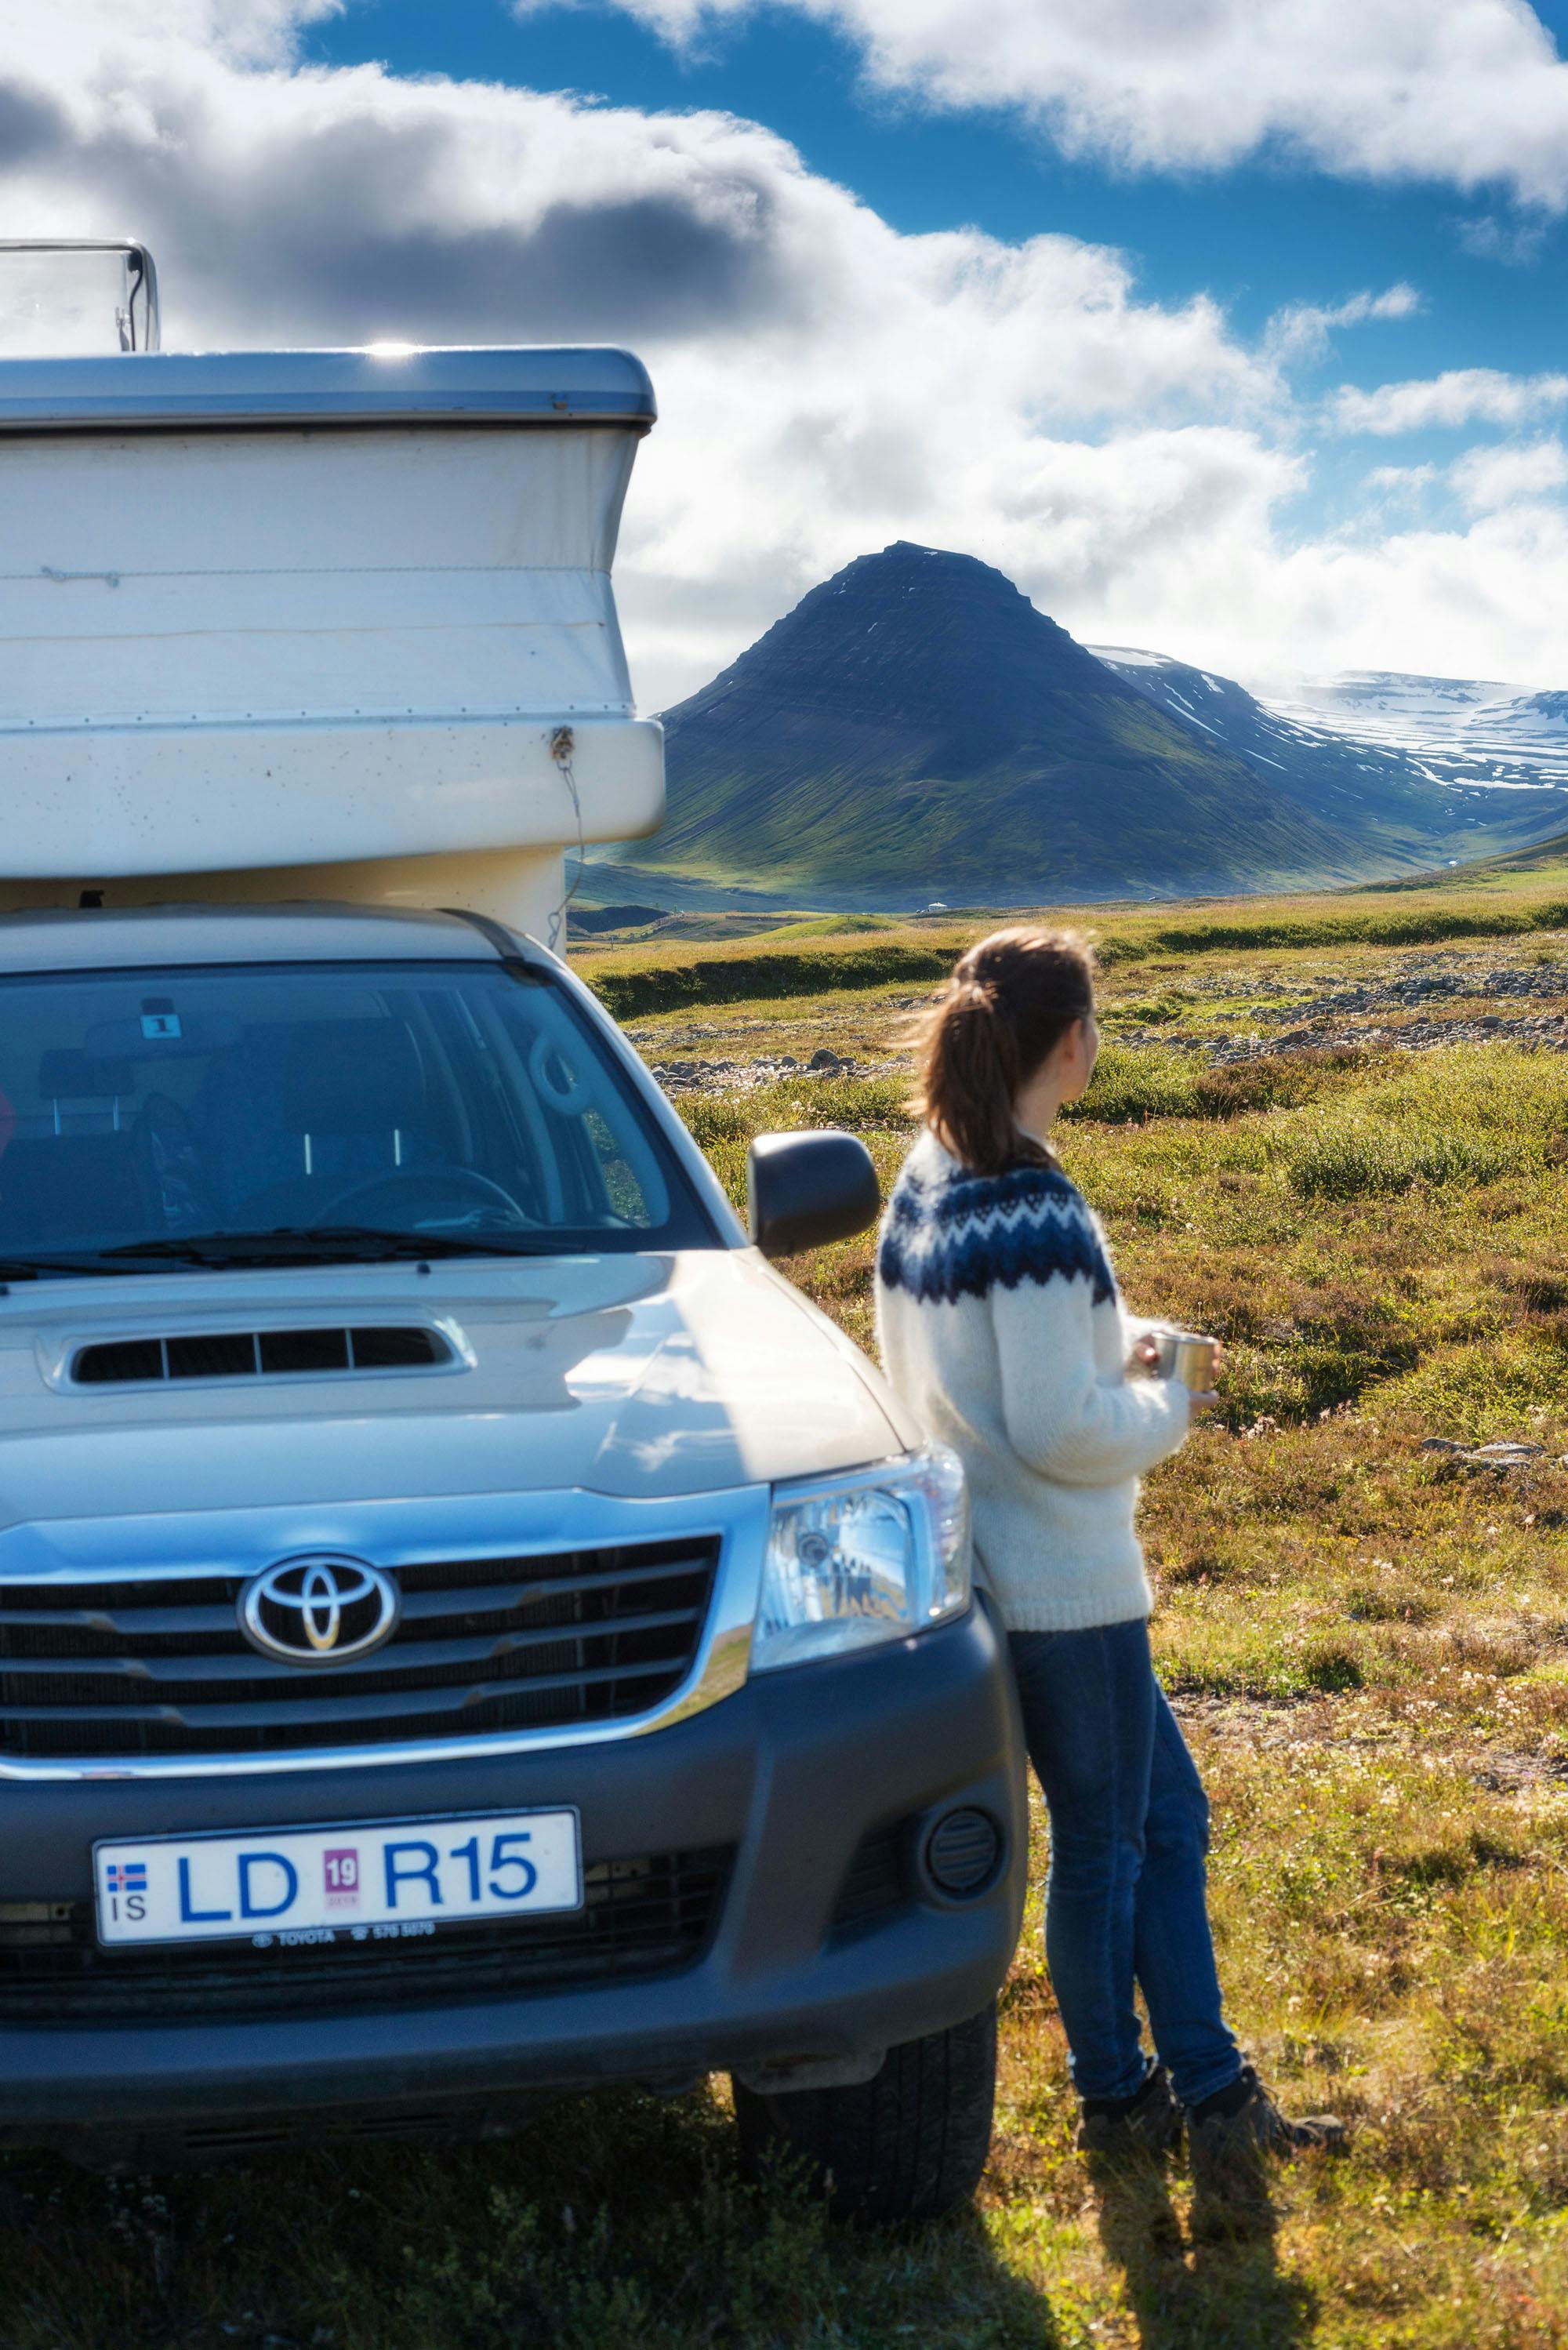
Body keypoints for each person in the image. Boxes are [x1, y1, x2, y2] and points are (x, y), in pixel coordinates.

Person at [873, 925, 1344, 2214]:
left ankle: (1205, 2083)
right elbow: (1056, 1423)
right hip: (1064, 1584)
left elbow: (987, 1360)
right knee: (1107, 1846)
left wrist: (1124, 1338)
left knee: (1159, 1823)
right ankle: (1124, 2090)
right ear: (1073, 1039)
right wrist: (1171, 1399)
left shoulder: (930, 1176)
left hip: (993, 1574)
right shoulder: (1029, 1197)